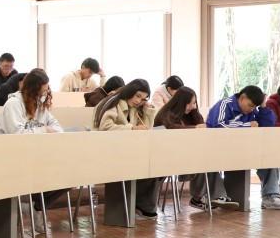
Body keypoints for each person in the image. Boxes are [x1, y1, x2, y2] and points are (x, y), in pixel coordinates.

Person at [0, 69, 68, 211]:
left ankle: (38, 201)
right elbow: (18, 135)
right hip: (11, 157)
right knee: (55, 172)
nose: (44, 96)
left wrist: (43, 130)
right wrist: (44, 130)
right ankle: (36, 198)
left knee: (70, 174)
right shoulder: (13, 104)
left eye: (46, 91)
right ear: (32, 90)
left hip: (36, 155)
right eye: (41, 93)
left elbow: (58, 129)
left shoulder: (40, 106)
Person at [206, 86, 280, 210]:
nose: (251, 109)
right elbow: (218, 126)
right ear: (242, 97)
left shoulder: (252, 110)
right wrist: (246, 125)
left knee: (269, 155)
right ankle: (219, 196)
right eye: (250, 105)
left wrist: (263, 107)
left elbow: (267, 125)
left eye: (254, 107)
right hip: (220, 148)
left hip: (245, 147)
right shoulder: (225, 104)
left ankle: (270, 196)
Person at [153, 87, 230, 211]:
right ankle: (200, 198)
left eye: (195, 103)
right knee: (201, 160)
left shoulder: (190, 114)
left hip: (189, 154)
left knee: (209, 159)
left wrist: (196, 117)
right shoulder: (164, 115)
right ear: (182, 102)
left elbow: (201, 128)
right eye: (192, 103)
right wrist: (195, 128)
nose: (194, 106)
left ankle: (215, 197)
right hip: (168, 158)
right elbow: (170, 131)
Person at [93, 79, 159, 218]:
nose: (139, 101)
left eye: (143, 98)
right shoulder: (113, 103)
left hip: (127, 152)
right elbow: (105, 128)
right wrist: (132, 128)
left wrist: (148, 111)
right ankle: (140, 206)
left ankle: (142, 206)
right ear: (130, 91)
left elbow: (146, 130)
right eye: (137, 96)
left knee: (155, 168)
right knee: (146, 167)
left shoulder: (136, 108)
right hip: (107, 152)